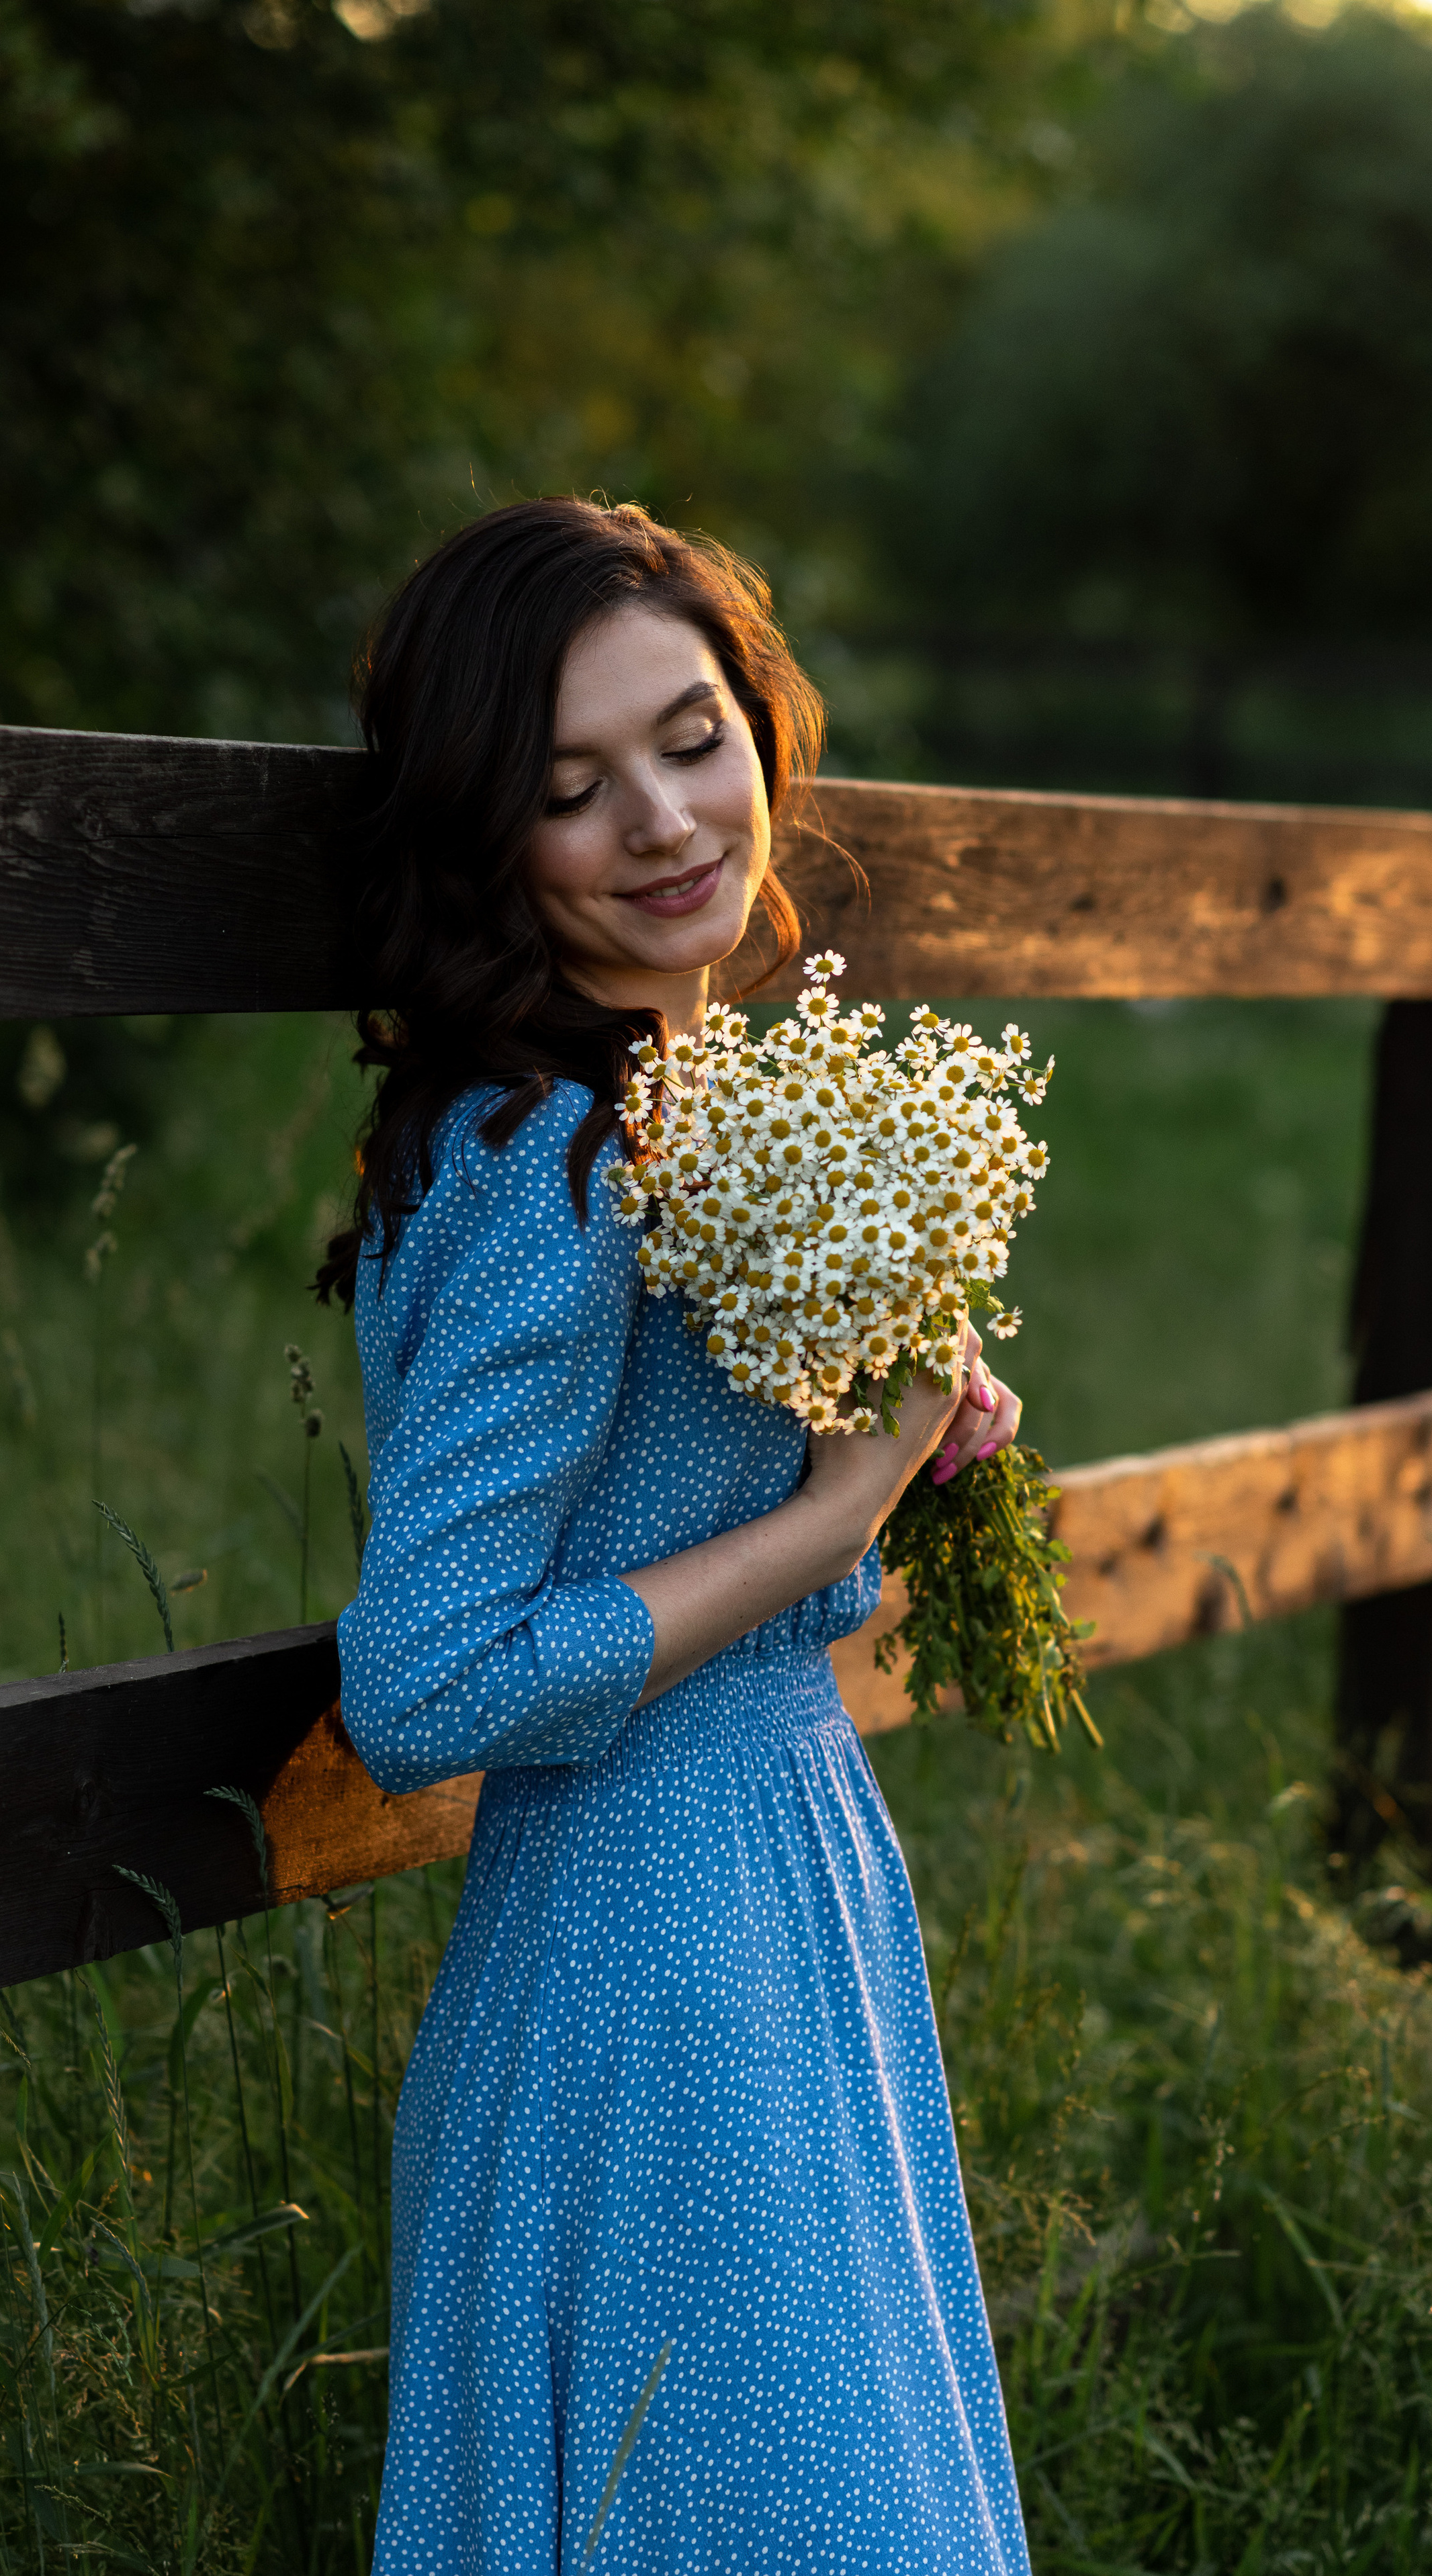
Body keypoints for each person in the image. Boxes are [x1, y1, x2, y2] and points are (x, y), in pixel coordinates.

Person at [317, 496, 1032, 2575]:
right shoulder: (555, 1156)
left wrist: (895, 1414)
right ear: (489, 839)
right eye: (570, 787)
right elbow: (424, 1679)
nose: (659, 819)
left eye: (692, 737)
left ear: (763, 731)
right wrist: (830, 1511)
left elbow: (672, 1501)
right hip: (651, 1979)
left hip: (775, 1908)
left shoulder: (676, 1099)